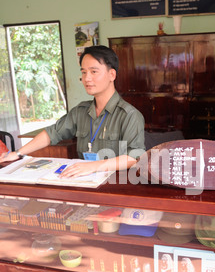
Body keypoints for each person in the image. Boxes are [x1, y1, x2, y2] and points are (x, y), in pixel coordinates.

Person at [0, 45, 145, 178]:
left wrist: (94, 166)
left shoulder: (129, 115)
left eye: (94, 71)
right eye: (84, 72)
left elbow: (134, 157)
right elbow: (52, 133)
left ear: (112, 75)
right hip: (83, 181)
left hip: (116, 184)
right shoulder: (80, 111)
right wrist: (18, 153)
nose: (87, 78)